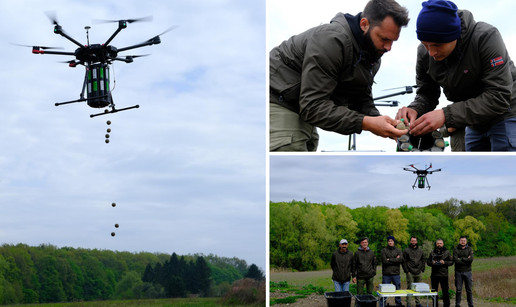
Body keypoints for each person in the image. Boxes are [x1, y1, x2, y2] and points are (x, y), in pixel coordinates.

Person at [269, 0, 410, 151]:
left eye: (393, 41)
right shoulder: (332, 41)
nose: (389, 48)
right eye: (384, 39)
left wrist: (387, 125)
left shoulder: (372, 55)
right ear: (364, 24)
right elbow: (312, 106)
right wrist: (365, 122)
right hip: (279, 99)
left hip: (303, 107)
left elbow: (361, 100)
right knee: (291, 153)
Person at [396, 0, 516, 151]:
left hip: (507, 112)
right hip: (473, 121)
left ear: (454, 35)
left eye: (437, 45)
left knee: (506, 170)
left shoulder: (485, 38)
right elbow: (427, 93)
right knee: (473, 170)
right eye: (425, 44)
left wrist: (446, 115)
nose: (431, 53)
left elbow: (499, 95)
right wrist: (415, 109)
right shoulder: (424, 54)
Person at [427, 239, 454, 307]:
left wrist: (444, 262)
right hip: (434, 275)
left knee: (445, 291)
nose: (439, 244)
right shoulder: (432, 252)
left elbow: (451, 262)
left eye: (440, 243)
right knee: (434, 291)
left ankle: (446, 305)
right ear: (436, 244)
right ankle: (435, 305)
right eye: (438, 243)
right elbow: (428, 262)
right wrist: (432, 263)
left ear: (443, 244)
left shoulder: (447, 252)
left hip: (443, 275)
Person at [402, 236, 425, 307]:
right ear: (410, 241)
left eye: (414, 241)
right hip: (410, 272)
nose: (413, 242)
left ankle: (418, 303)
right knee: (409, 288)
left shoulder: (420, 251)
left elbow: (423, 260)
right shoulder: (406, 250)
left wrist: (422, 270)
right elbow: (404, 261)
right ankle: (408, 304)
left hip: (419, 272)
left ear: (417, 241)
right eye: (412, 241)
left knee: (418, 288)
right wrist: (407, 271)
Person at [380, 236, 403, 307]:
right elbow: (384, 261)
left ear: (394, 242)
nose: (390, 242)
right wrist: (394, 259)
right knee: (384, 291)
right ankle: (382, 305)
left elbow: (400, 260)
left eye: (391, 241)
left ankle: (398, 304)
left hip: (396, 274)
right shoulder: (384, 250)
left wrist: (389, 259)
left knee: (398, 290)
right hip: (386, 274)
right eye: (389, 241)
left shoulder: (398, 250)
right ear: (387, 242)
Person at [453, 236, 474, 307]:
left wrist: (461, 259)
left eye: (464, 240)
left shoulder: (469, 249)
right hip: (458, 272)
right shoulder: (455, 249)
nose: (463, 242)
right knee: (458, 290)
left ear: (466, 241)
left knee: (469, 289)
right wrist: (466, 260)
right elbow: (456, 260)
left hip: (468, 271)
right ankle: (457, 304)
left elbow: (471, 259)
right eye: (461, 240)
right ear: (459, 241)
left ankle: (470, 304)